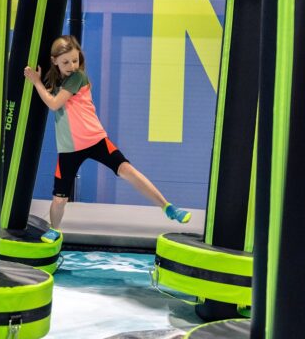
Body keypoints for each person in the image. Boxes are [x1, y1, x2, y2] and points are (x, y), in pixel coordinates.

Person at [24, 35, 191, 243]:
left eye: (75, 60)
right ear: (54, 61)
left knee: (128, 171)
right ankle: (55, 229)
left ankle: (168, 207)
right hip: (69, 148)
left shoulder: (78, 77)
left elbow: (54, 104)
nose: (72, 66)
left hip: (96, 140)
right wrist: (41, 82)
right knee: (59, 200)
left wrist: (36, 82)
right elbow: (53, 96)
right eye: (66, 61)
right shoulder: (58, 82)